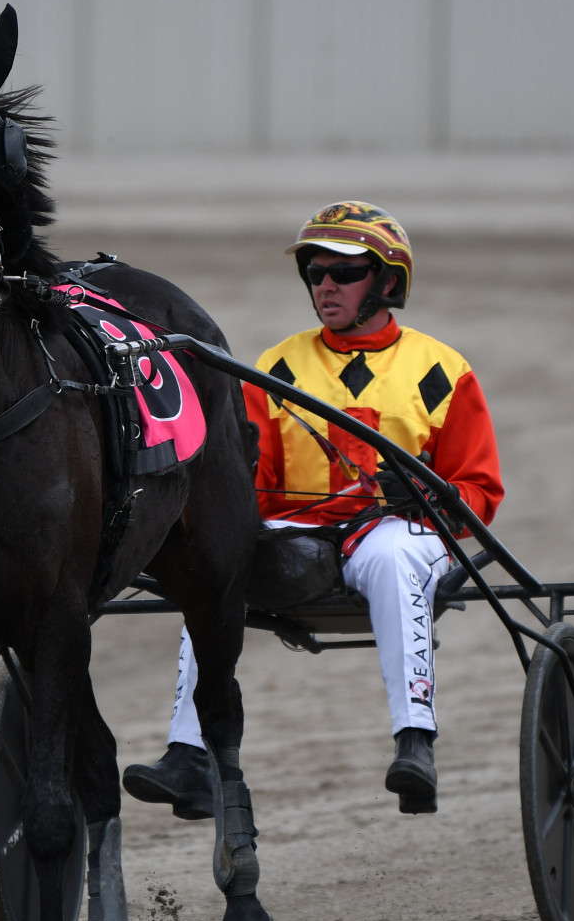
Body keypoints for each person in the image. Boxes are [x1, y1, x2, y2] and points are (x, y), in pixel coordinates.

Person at [123, 201, 503, 816]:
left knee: (390, 553)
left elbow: (480, 490)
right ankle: (189, 756)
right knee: (211, 565)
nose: (325, 285)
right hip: (299, 535)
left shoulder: (442, 370)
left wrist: (438, 500)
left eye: (344, 272)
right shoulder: (277, 367)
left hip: (398, 536)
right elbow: (253, 482)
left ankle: (415, 742)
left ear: (386, 281)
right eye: (314, 272)